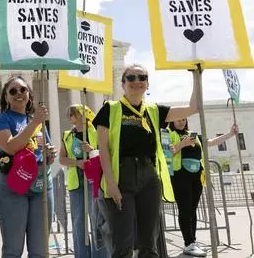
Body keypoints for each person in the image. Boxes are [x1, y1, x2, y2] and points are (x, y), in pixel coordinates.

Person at [93, 64, 199, 258]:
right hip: (120, 178)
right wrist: (110, 184)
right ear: (123, 83)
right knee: (122, 243)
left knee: (149, 243)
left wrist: (196, 76)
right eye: (131, 78)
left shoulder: (154, 110)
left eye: (142, 77)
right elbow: (104, 150)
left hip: (149, 178)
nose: (137, 81)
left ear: (147, 84)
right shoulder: (110, 109)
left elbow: (193, 108)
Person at [0, 76, 57, 258]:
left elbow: (45, 153)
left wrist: (50, 154)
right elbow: (10, 147)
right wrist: (35, 122)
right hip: (14, 185)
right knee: (13, 248)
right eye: (13, 91)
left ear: (29, 94)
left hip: (41, 183)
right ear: (5, 97)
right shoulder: (1, 119)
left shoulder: (36, 120)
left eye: (23, 90)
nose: (19, 94)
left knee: (40, 250)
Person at [168, 119, 238, 257]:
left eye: (184, 119)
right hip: (180, 176)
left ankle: (192, 242)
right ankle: (188, 244)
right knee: (185, 209)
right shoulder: (168, 133)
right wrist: (183, 143)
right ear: (172, 121)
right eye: (178, 119)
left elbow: (211, 142)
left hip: (196, 176)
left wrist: (230, 134)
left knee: (192, 209)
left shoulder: (193, 134)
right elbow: (167, 153)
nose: (181, 122)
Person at [59, 104, 109, 258]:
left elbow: (107, 153)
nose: (70, 116)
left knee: (97, 221)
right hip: (77, 182)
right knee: (78, 223)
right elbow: (62, 159)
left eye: (73, 113)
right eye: (69, 114)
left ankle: (100, 255)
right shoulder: (67, 135)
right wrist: (78, 163)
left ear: (83, 115)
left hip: (95, 180)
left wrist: (92, 149)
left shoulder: (96, 131)